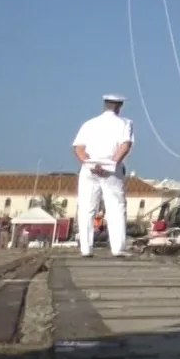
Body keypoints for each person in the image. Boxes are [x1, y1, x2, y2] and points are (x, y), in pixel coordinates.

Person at [73, 94, 134, 257]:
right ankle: (117, 248)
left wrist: (90, 164)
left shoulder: (89, 123)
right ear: (119, 106)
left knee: (86, 208)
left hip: (89, 169)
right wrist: (112, 163)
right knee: (115, 207)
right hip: (111, 169)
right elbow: (125, 145)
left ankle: (86, 249)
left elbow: (79, 148)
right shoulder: (125, 123)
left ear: (104, 105)